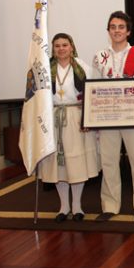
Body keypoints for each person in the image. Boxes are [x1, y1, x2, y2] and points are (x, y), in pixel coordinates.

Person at [92, 11, 134, 223]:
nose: (117, 31)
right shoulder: (99, 57)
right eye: (113, 27)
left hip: (132, 119)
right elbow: (94, 90)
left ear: (128, 31)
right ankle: (110, 205)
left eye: (121, 27)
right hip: (107, 119)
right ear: (108, 31)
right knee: (108, 161)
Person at [39, 33, 100, 222]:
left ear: (71, 47)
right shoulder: (45, 69)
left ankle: (77, 206)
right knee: (59, 166)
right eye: (57, 46)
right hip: (53, 119)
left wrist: (87, 120)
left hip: (76, 118)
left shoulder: (83, 68)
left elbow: (93, 95)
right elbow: (38, 96)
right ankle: (63, 207)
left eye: (64, 45)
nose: (61, 49)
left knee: (76, 164)